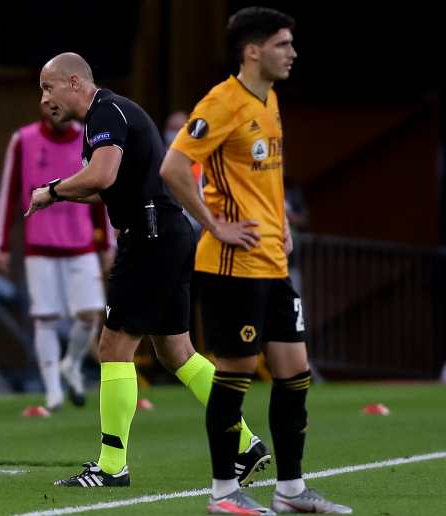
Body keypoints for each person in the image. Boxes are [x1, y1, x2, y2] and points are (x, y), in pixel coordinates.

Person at [27, 52, 270, 489]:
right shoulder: (110, 114)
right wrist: (64, 192)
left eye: (49, 87)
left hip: (150, 236)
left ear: (75, 82)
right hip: (167, 234)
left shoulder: (105, 113)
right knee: (177, 353)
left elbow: (101, 176)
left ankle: (111, 466)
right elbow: (107, 186)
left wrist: (52, 190)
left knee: (112, 347)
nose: (44, 98)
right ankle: (245, 443)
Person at [161, 7, 352, 514]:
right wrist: (213, 224)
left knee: (295, 370)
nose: (292, 53)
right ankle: (223, 492)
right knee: (236, 373)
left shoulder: (269, 100)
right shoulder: (222, 102)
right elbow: (174, 167)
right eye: (282, 44)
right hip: (232, 266)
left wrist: (281, 219)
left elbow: (263, 173)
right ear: (252, 50)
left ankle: (290, 490)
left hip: (271, 262)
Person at [0, 102, 112, 411]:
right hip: (40, 246)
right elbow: (9, 194)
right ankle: (53, 391)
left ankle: (71, 364)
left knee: (90, 315)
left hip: (81, 243)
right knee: (45, 318)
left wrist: (107, 243)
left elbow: (101, 190)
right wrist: (0, 244)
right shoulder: (24, 140)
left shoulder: (88, 138)